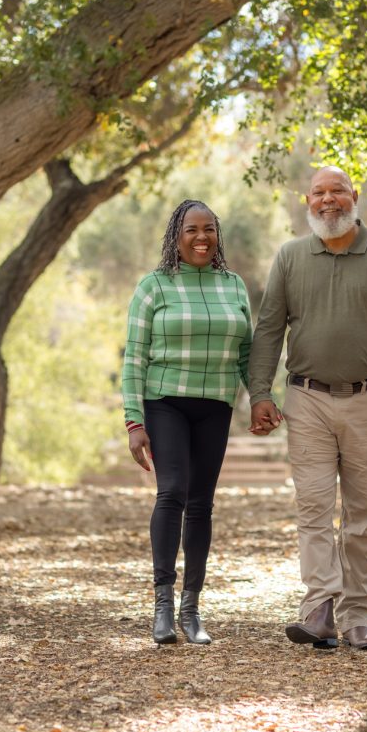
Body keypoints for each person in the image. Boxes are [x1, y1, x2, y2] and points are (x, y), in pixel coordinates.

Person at [249, 166, 367, 651]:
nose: (330, 201)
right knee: (315, 507)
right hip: (306, 401)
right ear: (307, 202)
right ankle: (320, 609)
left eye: (338, 192)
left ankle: (358, 617)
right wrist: (260, 392)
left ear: (355, 196)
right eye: (320, 193)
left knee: (366, 513)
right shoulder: (289, 257)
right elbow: (268, 330)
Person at [122, 199, 252, 645]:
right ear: (175, 237)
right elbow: (134, 357)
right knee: (172, 490)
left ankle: (191, 610)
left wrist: (263, 397)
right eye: (192, 229)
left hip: (215, 404)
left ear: (218, 235)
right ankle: (162, 605)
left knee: (202, 503)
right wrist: (133, 421)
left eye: (209, 229)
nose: (201, 237)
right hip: (166, 402)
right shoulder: (154, 286)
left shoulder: (233, 286)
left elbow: (246, 354)